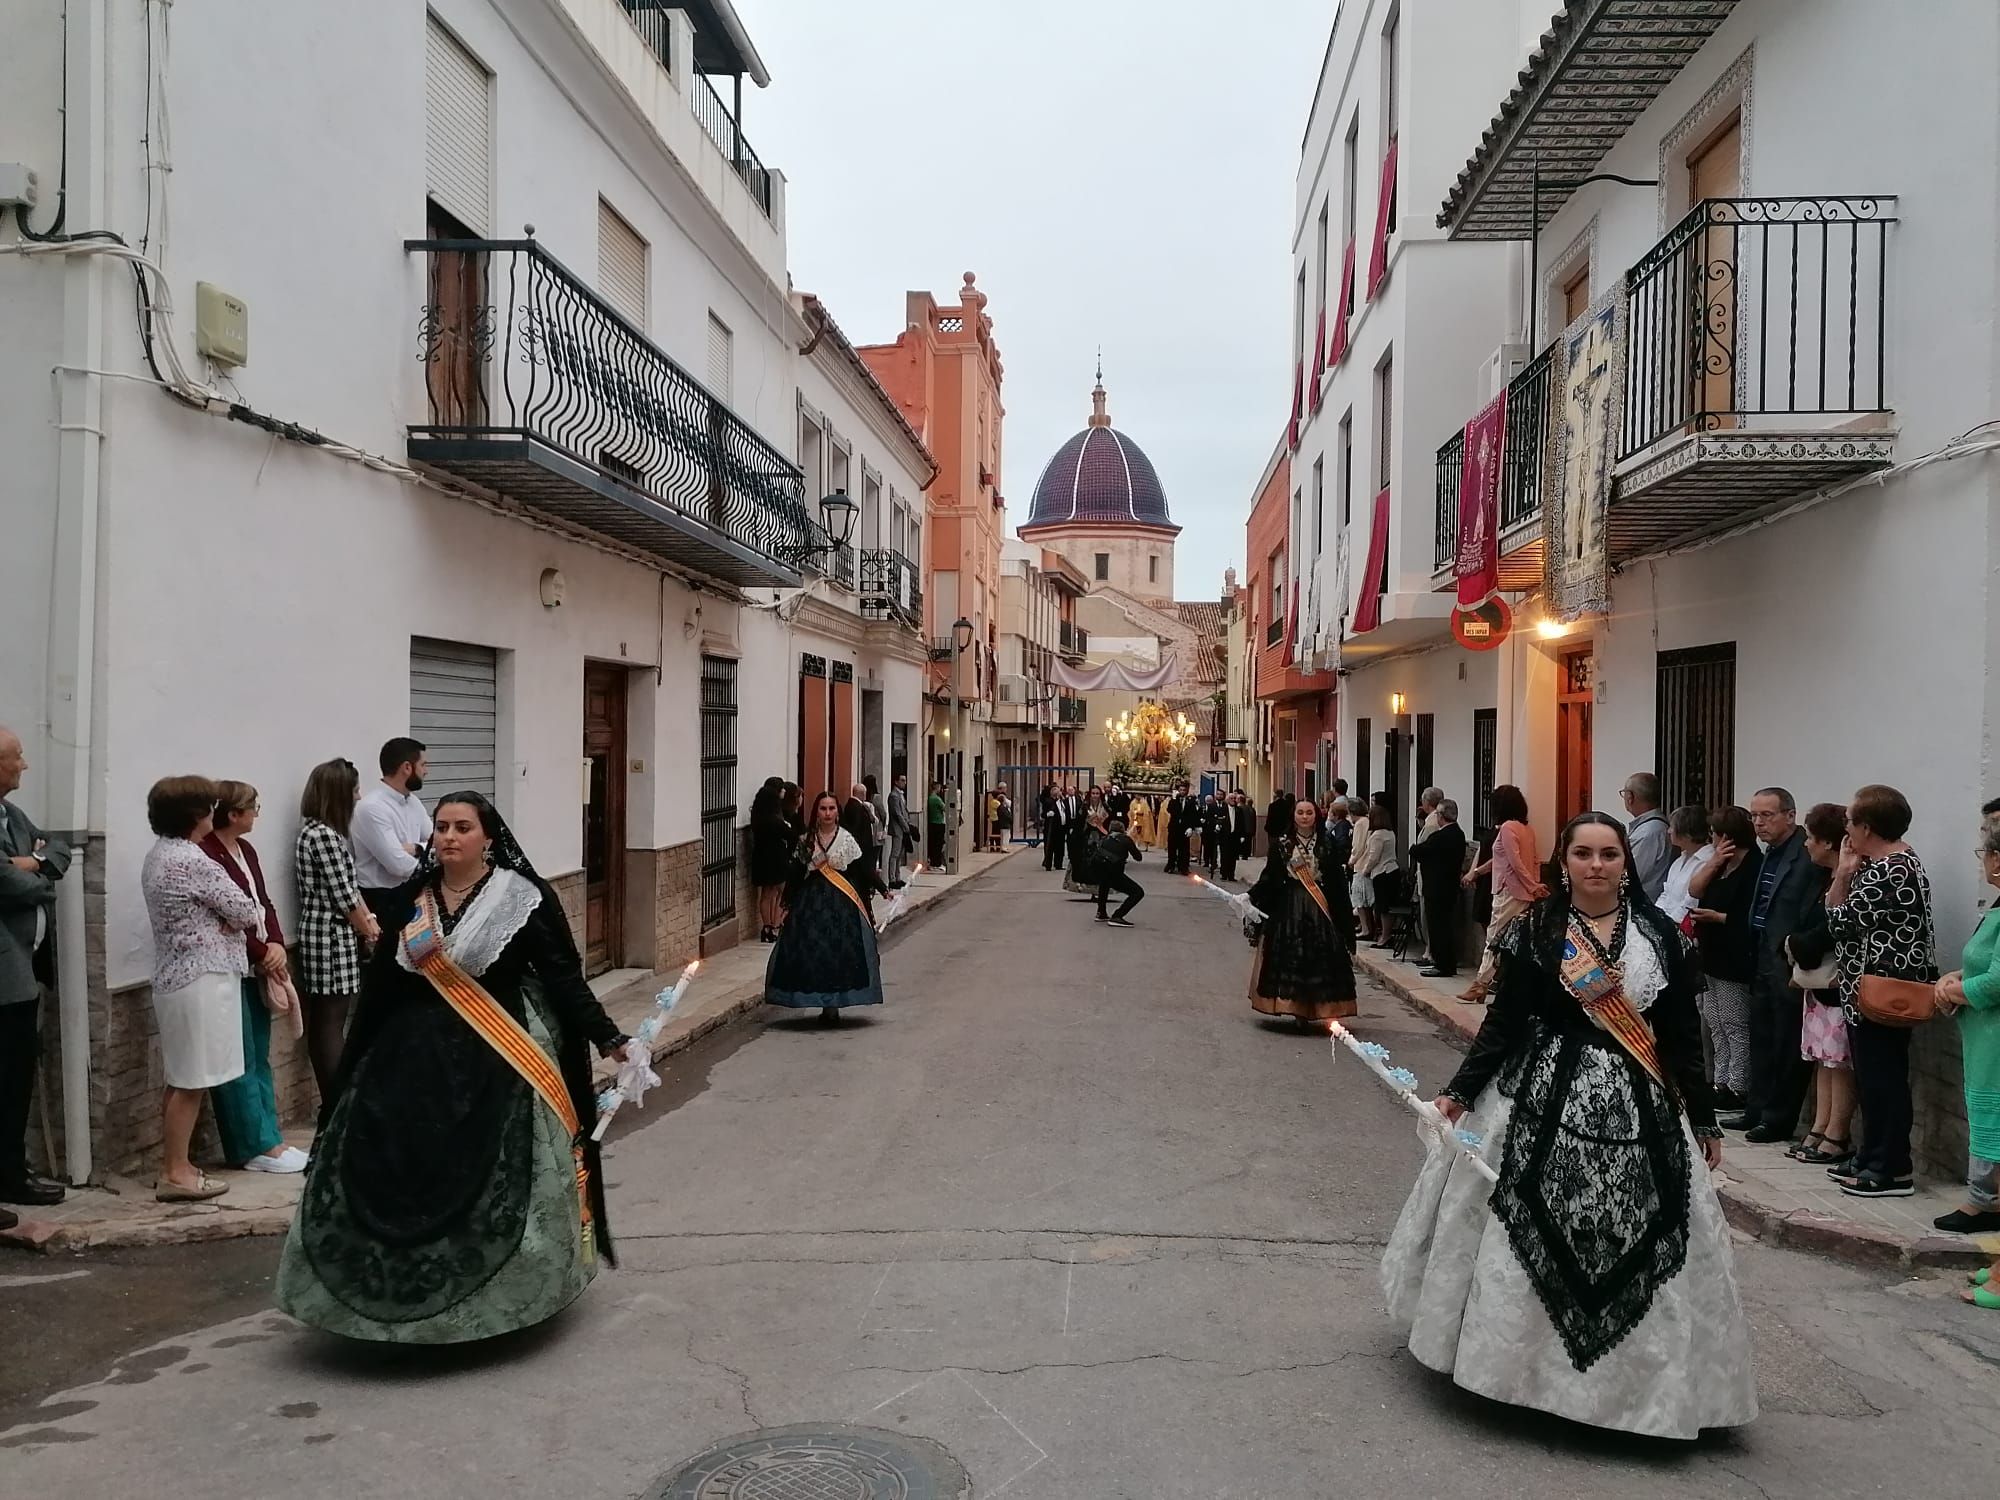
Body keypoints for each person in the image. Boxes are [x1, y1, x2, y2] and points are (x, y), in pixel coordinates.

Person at [1383, 812, 1756, 1440]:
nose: (1597, 865)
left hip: (1639, 1102)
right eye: (1583, 853)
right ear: (1564, 860)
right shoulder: (1538, 929)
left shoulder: (1661, 935)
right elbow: (1504, 1023)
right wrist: (1459, 1091)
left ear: (1626, 862)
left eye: (1609, 854)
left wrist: (1702, 1116)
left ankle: (1631, 1390)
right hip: (1541, 1094)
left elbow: (1681, 1039)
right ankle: (1521, 1372)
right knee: (1521, 1222)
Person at [276, 791, 632, 1342]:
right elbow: (382, 990)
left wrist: (609, 1039)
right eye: (441, 827)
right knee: (388, 1164)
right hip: (407, 1062)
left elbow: (563, 979)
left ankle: (496, 1305)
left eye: (462, 827)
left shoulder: (525, 898)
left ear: (488, 837)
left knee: (496, 1173)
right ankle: (382, 1305)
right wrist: (352, 1071)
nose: (448, 837)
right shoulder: (408, 901)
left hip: (498, 1055)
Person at [141, 776, 262, 1203]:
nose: (215, 811)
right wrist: (225, 921)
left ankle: (178, 1164)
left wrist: (223, 918)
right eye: (210, 806)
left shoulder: (159, 855)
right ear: (197, 814)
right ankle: (176, 1172)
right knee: (192, 1081)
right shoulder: (193, 860)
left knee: (181, 1078)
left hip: (176, 977)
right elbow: (246, 909)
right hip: (201, 980)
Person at [1816, 784, 1935, 1198]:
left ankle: (1892, 1168)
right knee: (1872, 1078)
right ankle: (1872, 1155)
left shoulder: (1893, 868)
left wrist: (1843, 875)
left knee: (1883, 1080)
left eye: (1850, 821)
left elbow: (1838, 919)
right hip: (1864, 989)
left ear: (1867, 826)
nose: (1846, 828)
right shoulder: (1881, 864)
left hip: (1882, 992)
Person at [200, 781, 309, 1174]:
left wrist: (277, 943)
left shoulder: (245, 850)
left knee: (258, 1051)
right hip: (234, 964)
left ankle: (271, 1136)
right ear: (234, 814)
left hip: (259, 963)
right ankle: (252, 1144)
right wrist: (262, 953)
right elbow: (225, 914)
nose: (256, 815)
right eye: (253, 808)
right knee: (239, 1054)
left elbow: (261, 902)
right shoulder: (207, 852)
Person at [0, 726, 71, 1220]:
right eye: (17, 757)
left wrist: (36, 863)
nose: (24, 765)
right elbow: (7, 884)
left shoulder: (12, 813)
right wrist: (37, 875)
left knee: (16, 1078)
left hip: (23, 972)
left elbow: (60, 848)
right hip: (4, 979)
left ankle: (10, 1174)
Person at [1728, 788, 1822, 1141]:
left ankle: (1778, 1117)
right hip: (1762, 954)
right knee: (1762, 1035)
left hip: (1787, 957)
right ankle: (1756, 1108)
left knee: (1786, 1040)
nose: (1758, 823)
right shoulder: (1768, 853)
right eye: (1754, 815)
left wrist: (1795, 945)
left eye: (1767, 815)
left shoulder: (1804, 852)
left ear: (1790, 815)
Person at [1933, 799, 2000, 1253]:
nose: (1982, 859)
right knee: (1985, 1116)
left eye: (1985, 850)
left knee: (1994, 1119)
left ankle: (1987, 1201)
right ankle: (1985, 1199)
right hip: (1981, 1036)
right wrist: (1955, 977)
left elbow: (1997, 979)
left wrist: (1952, 992)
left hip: (1994, 1038)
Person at [292, 758, 379, 1102]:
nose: (359, 797)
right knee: (331, 1019)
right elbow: (345, 895)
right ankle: (336, 1100)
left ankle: (336, 1097)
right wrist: (370, 931)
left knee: (330, 1018)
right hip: (329, 936)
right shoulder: (324, 836)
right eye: (355, 790)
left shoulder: (316, 832)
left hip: (329, 933)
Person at [767, 792, 886, 1022]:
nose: (828, 813)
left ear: (837, 812)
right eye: (823, 809)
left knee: (839, 952)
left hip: (841, 904)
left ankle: (834, 1004)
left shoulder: (846, 840)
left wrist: (882, 888)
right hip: (810, 903)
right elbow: (796, 874)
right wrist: (788, 903)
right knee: (812, 950)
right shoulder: (806, 841)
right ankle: (817, 999)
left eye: (832, 808)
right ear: (816, 812)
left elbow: (862, 869)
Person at [1781, 802, 1854, 1164]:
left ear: (1828, 842)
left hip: (1838, 981)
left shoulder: (1849, 878)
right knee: (1821, 1057)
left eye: (1811, 837)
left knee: (1838, 1060)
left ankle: (1837, 1134)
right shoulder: (1820, 877)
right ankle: (1820, 1126)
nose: (1806, 844)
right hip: (1817, 983)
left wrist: (1796, 945)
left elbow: (1831, 928)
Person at [1246, 796, 1356, 1026]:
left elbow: (1336, 881)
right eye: (1300, 813)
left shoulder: (1327, 844)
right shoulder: (1282, 844)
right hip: (1290, 906)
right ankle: (1295, 1009)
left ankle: (1319, 1006)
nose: (1305, 816)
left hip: (1320, 906)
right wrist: (1251, 896)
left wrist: (1344, 915)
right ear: (1293, 817)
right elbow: (1270, 876)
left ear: (1317, 815)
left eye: (1309, 812)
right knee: (1292, 955)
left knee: (1319, 957)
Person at [1686, 805, 1759, 1114]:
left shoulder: (1754, 867)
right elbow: (1695, 889)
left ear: (1727, 835)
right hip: (1711, 954)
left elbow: (1751, 916)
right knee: (1714, 1021)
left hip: (1735, 956)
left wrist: (1718, 917)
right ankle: (1719, 1081)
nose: (1712, 839)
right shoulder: (1722, 865)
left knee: (1734, 1022)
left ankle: (1738, 1085)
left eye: (1715, 834)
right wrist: (1715, 861)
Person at [1459, 786, 1546, 1003]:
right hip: (1523, 891)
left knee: (1494, 938)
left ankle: (1481, 984)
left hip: (1509, 891)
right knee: (1516, 939)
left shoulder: (1507, 828)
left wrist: (1532, 886)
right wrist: (1533, 885)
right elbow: (1528, 860)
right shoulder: (1526, 829)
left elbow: (1515, 863)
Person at [352, 737, 431, 925]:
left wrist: (416, 848)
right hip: (381, 901)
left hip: (410, 894)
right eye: (423, 765)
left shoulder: (413, 802)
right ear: (406, 768)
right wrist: (434, 866)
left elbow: (437, 841)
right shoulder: (372, 807)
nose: (426, 771)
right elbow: (398, 865)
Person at [1411, 800, 1470, 978]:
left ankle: (1442, 964)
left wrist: (1414, 848)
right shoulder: (1459, 834)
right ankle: (1446, 963)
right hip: (1450, 886)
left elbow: (1418, 851)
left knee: (1437, 927)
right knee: (1446, 926)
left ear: (1442, 816)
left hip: (1436, 888)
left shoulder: (1441, 836)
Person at [841, 783, 894, 920]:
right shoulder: (856, 808)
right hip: (861, 856)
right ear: (863, 794)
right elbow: (857, 830)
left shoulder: (856, 806)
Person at [1351, 803, 1400, 944]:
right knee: (1385, 906)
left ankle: (1384, 936)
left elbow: (1374, 857)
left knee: (1382, 906)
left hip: (1382, 871)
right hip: (1392, 869)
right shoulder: (1390, 833)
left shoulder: (1377, 835)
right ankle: (1384, 934)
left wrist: (1365, 871)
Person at [749, 777, 791, 942]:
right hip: (775, 857)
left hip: (761, 856)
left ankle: (766, 927)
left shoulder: (758, 816)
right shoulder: (775, 818)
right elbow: (788, 834)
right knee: (776, 892)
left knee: (766, 894)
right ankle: (773, 926)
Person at [1658, 805, 1715, 925]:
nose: (1669, 831)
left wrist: (1669, 924)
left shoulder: (1707, 861)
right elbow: (1666, 893)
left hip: (1682, 926)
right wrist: (1656, 916)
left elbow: (1690, 903)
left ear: (1687, 833)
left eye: (1672, 827)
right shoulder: (1679, 860)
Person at [1620, 772, 1673, 901]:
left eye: (1624, 793)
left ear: (1631, 797)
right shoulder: (1651, 828)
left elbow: (1632, 874)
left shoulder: (1649, 832)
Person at [1093, 815, 1145, 927]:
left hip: (1098, 871)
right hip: (1114, 873)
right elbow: (1138, 857)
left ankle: (1101, 912)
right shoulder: (1126, 839)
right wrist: (1130, 842)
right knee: (1138, 892)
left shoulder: (1104, 839)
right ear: (1123, 829)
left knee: (1104, 883)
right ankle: (1118, 915)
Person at [887, 772, 913, 888]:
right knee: (895, 853)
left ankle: (897, 877)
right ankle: (892, 879)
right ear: (896, 782)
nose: (904, 783)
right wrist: (905, 826)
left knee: (900, 854)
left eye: (905, 780)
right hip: (897, 828)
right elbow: (897, 813)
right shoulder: (894, 795)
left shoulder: (901, 795)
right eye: (902, 780)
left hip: (903, 828)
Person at [1227, 790, 1257, 882]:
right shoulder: (1250, 809)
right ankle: (1245, 855)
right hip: (1248, 830)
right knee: (1247, 844)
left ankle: (1242, 855)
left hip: (1241, 831)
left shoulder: (1240, 809)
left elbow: (1241, 821)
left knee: (1240, 847)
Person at [1202, 794, 1230, 876]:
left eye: (1221, 794)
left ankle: (1222, 868)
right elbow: (1209, 817)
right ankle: (1212, 863)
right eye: (1218, 794)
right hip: (1212, 831)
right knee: (1211, 848)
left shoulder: (1226, 806)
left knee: (1223, 850)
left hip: (1224, 831)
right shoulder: (1212, 806)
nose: (1219, 796)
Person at [926, 784, 948, 869]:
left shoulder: (929, 798)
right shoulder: (937, 799)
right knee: (939, 844)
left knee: (932, 844)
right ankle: (937, 862)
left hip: (931, 823)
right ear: (937, 788)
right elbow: (945, 808)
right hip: (939, 823)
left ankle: (932, 861)